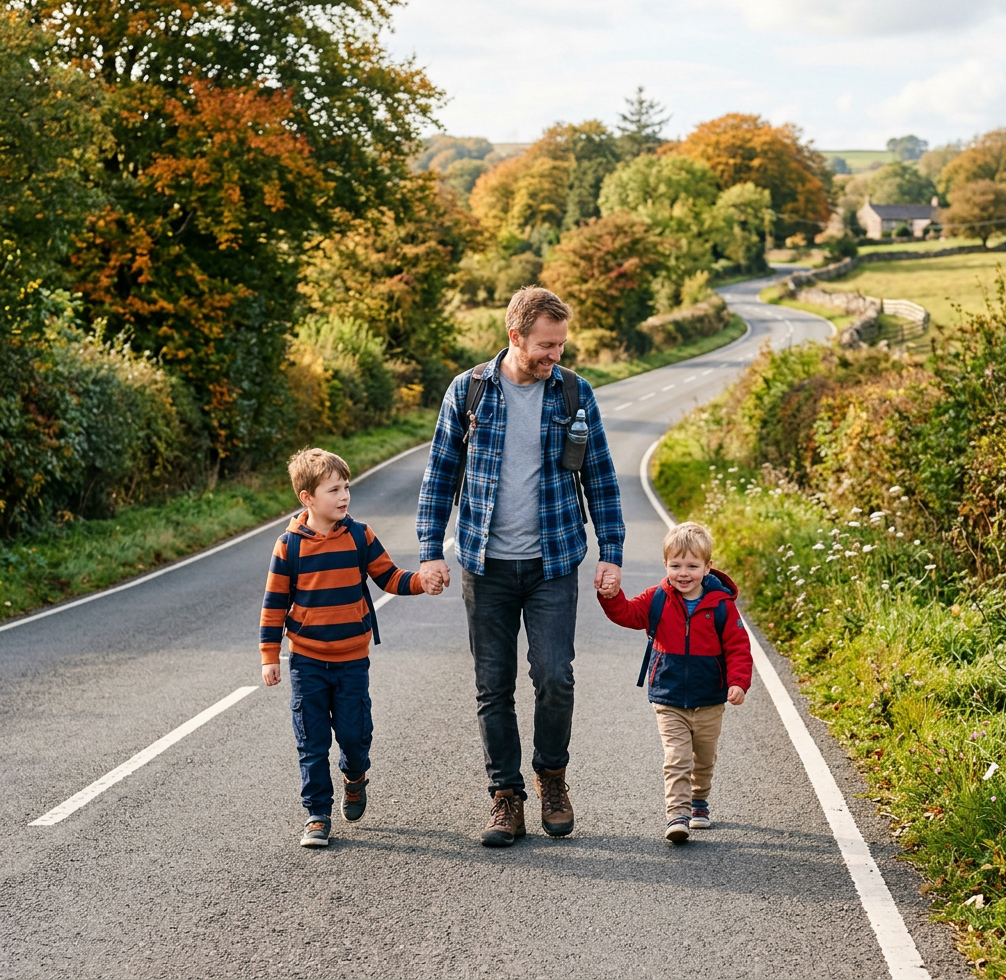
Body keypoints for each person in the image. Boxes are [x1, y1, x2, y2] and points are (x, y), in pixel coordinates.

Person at [416, 287, 625, 847]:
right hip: (485, 566)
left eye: (560, 344)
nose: (554, 355)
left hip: (553, 562)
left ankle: (551, 778)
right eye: (544, 345)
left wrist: (612, 554)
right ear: (515, 336)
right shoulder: (469, 392)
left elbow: (601, 479)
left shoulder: (574, 395)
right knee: (493, 686)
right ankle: (505, 797)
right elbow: (439, 475)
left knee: (555, 677)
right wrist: (429, 549)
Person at [260, 447, 441, 848]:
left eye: (346, 488)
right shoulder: (289, 546)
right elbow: (274, 604)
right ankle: (317, 815)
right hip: (305, 660)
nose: (343, 497)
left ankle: (355, 778)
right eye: (333, 490)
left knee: (356, 736)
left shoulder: (360, 535)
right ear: (307, 498)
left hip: (352, 661)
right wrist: (270, 656)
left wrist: (420, 582)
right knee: (311, 740)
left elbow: (389, 577)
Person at [598, 521, 752, 844]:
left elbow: (738, 647)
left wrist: (738, 682)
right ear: (665, 565)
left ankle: (699, 801)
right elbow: (626, 613)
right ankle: (677, 814)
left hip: (710, 698)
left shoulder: (721, 606)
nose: (684, 573)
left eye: (692, 566)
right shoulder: (658, 599)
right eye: (676, 565)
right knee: (677, 758)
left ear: (708, 567)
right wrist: (611, 596)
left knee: (704, 758)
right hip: (668, 698)